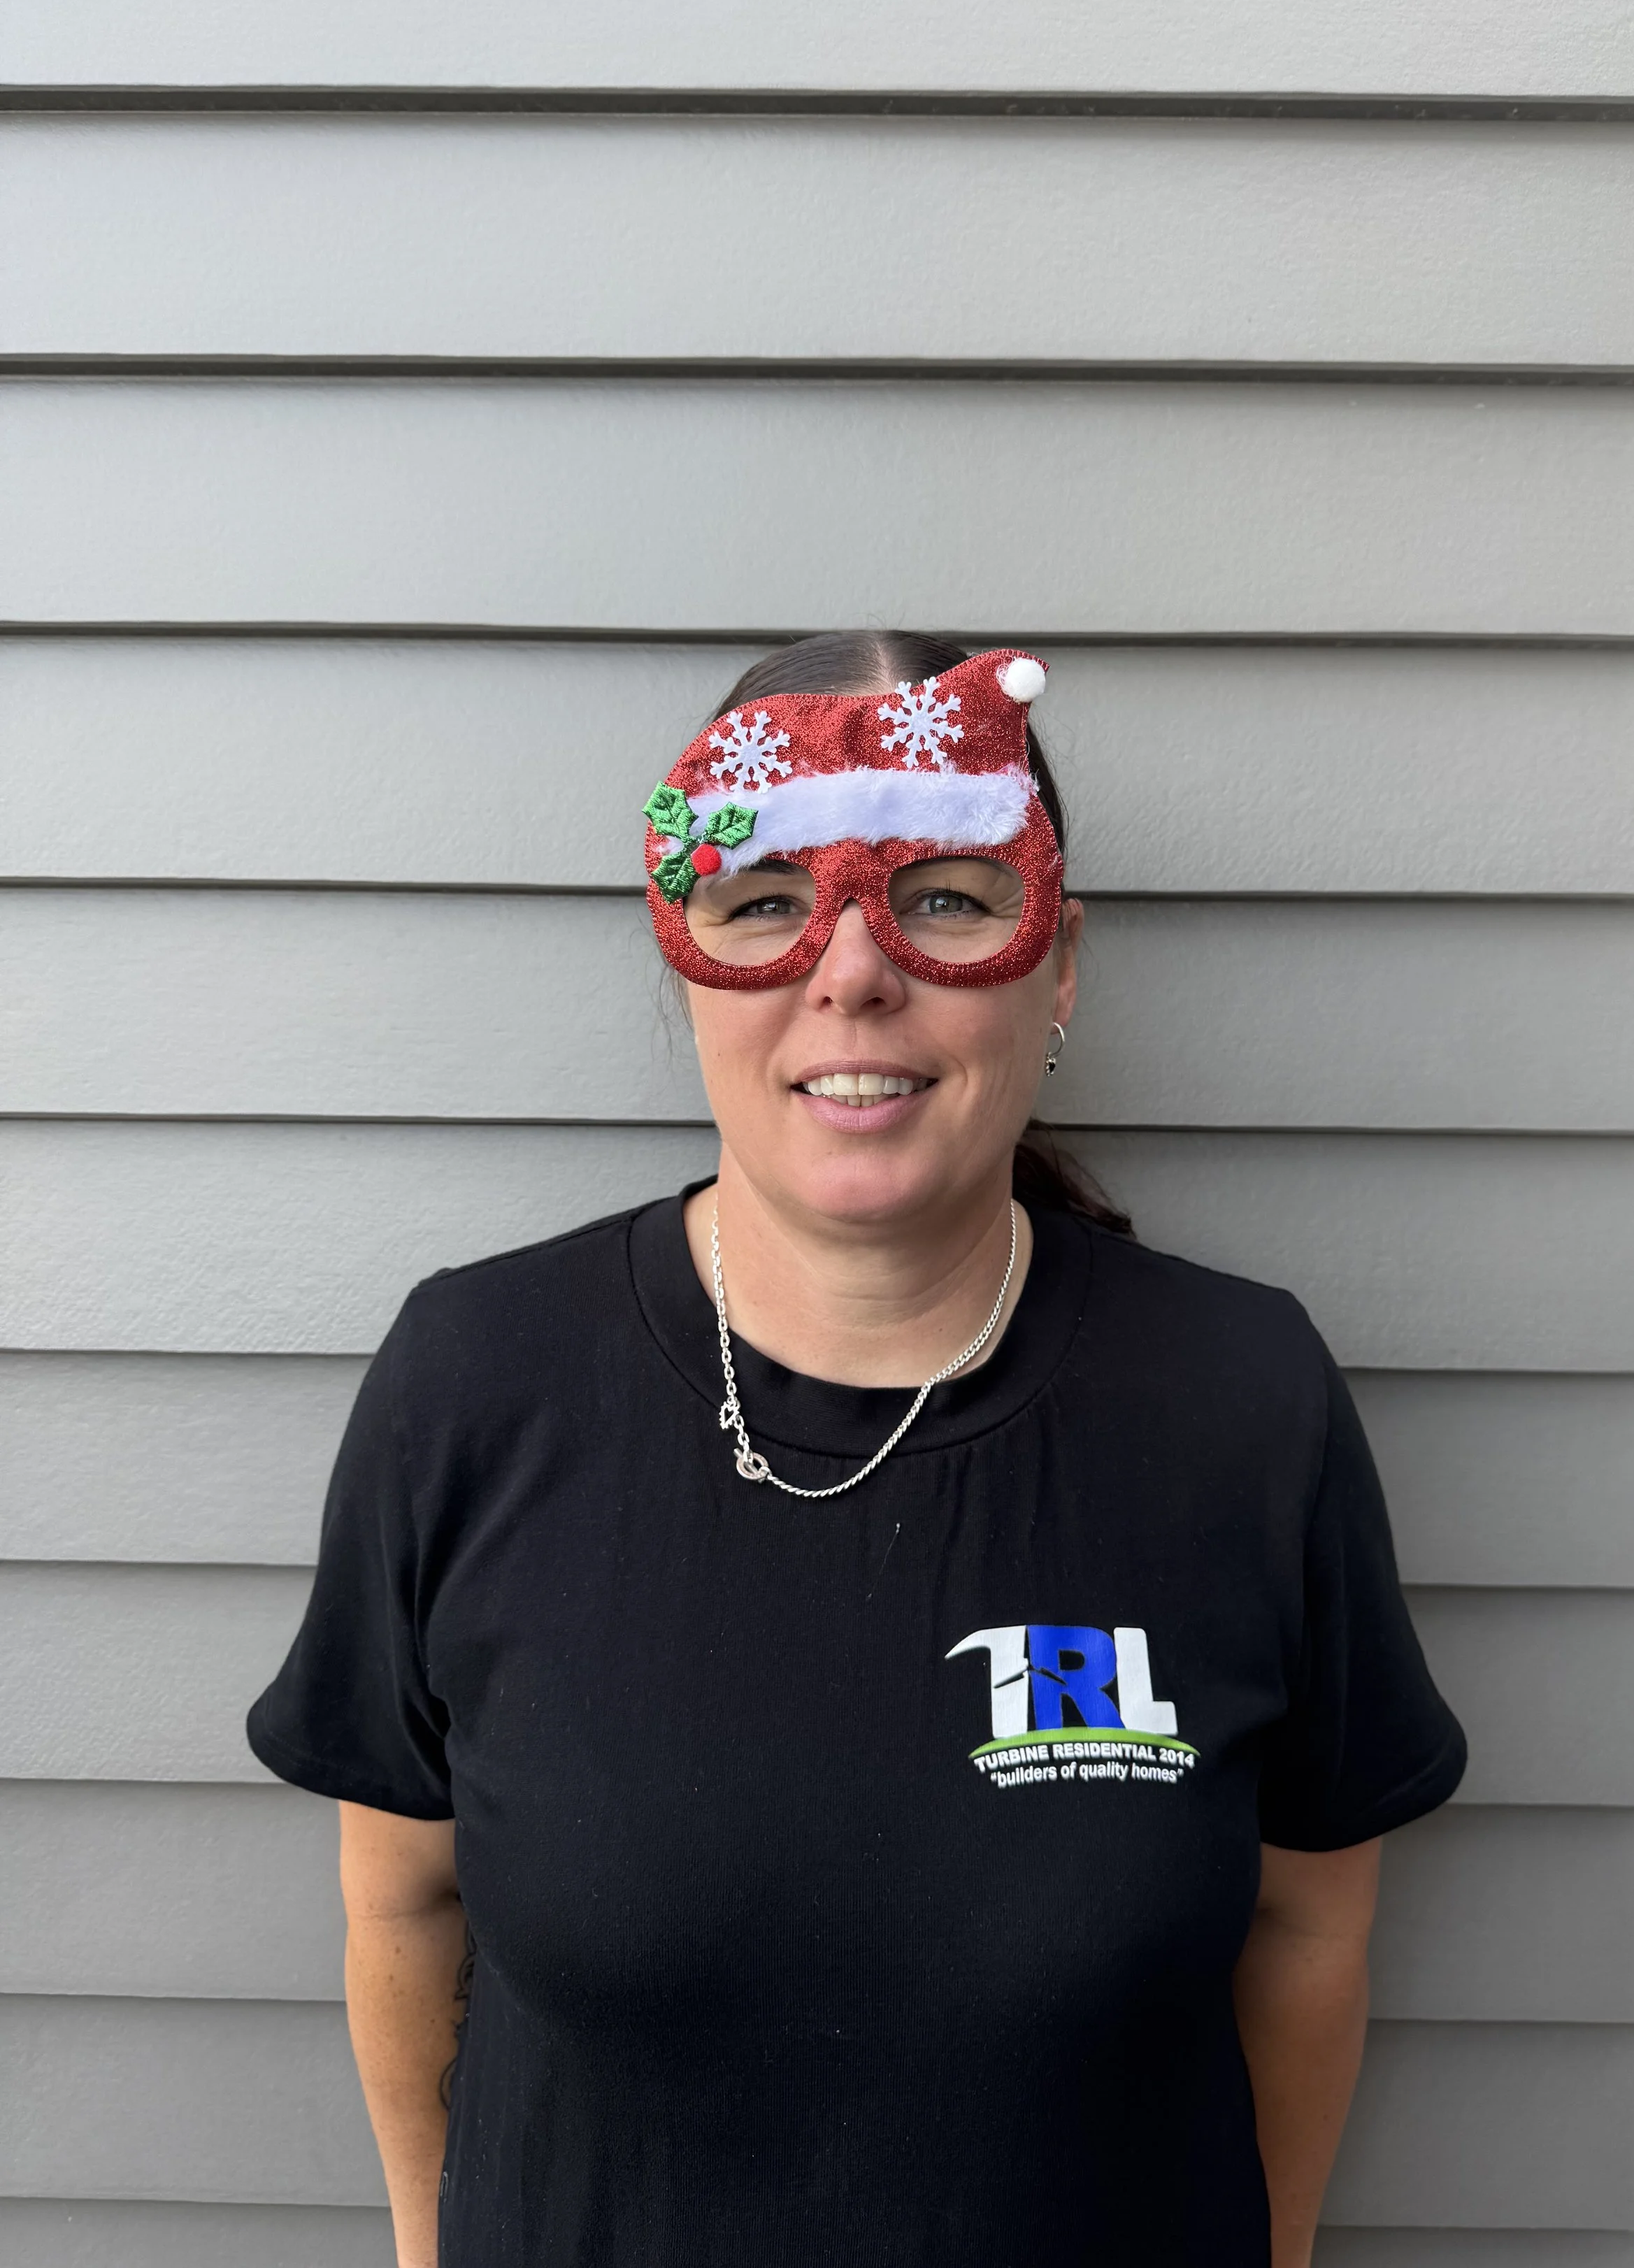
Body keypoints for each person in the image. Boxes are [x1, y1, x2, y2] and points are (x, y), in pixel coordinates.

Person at [248, 631, 1465, 2268]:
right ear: (683, 962)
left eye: (945, 896)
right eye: (764, 901)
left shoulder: (1243, 1400)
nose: (849, 971)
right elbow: (400, 1901)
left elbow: (1309, 1924)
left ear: (1057, 963)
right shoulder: (473, 1384)